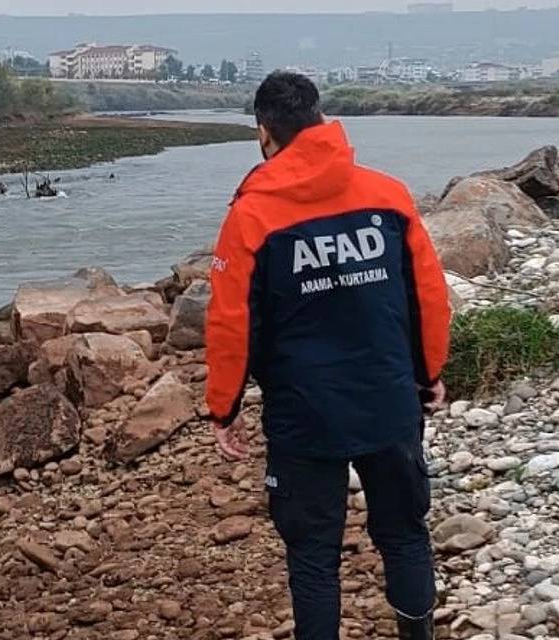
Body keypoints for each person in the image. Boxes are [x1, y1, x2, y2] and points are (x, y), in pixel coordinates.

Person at [204, 71, 451, 640]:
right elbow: (429, 295)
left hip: (305, 414)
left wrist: (224, 406)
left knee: (313, 554)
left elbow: (230, 323)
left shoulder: (251, 217)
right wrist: (429, 372)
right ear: (320, 119)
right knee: (406, 534)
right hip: (388, 399)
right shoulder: (387, 194)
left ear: (265, 133)